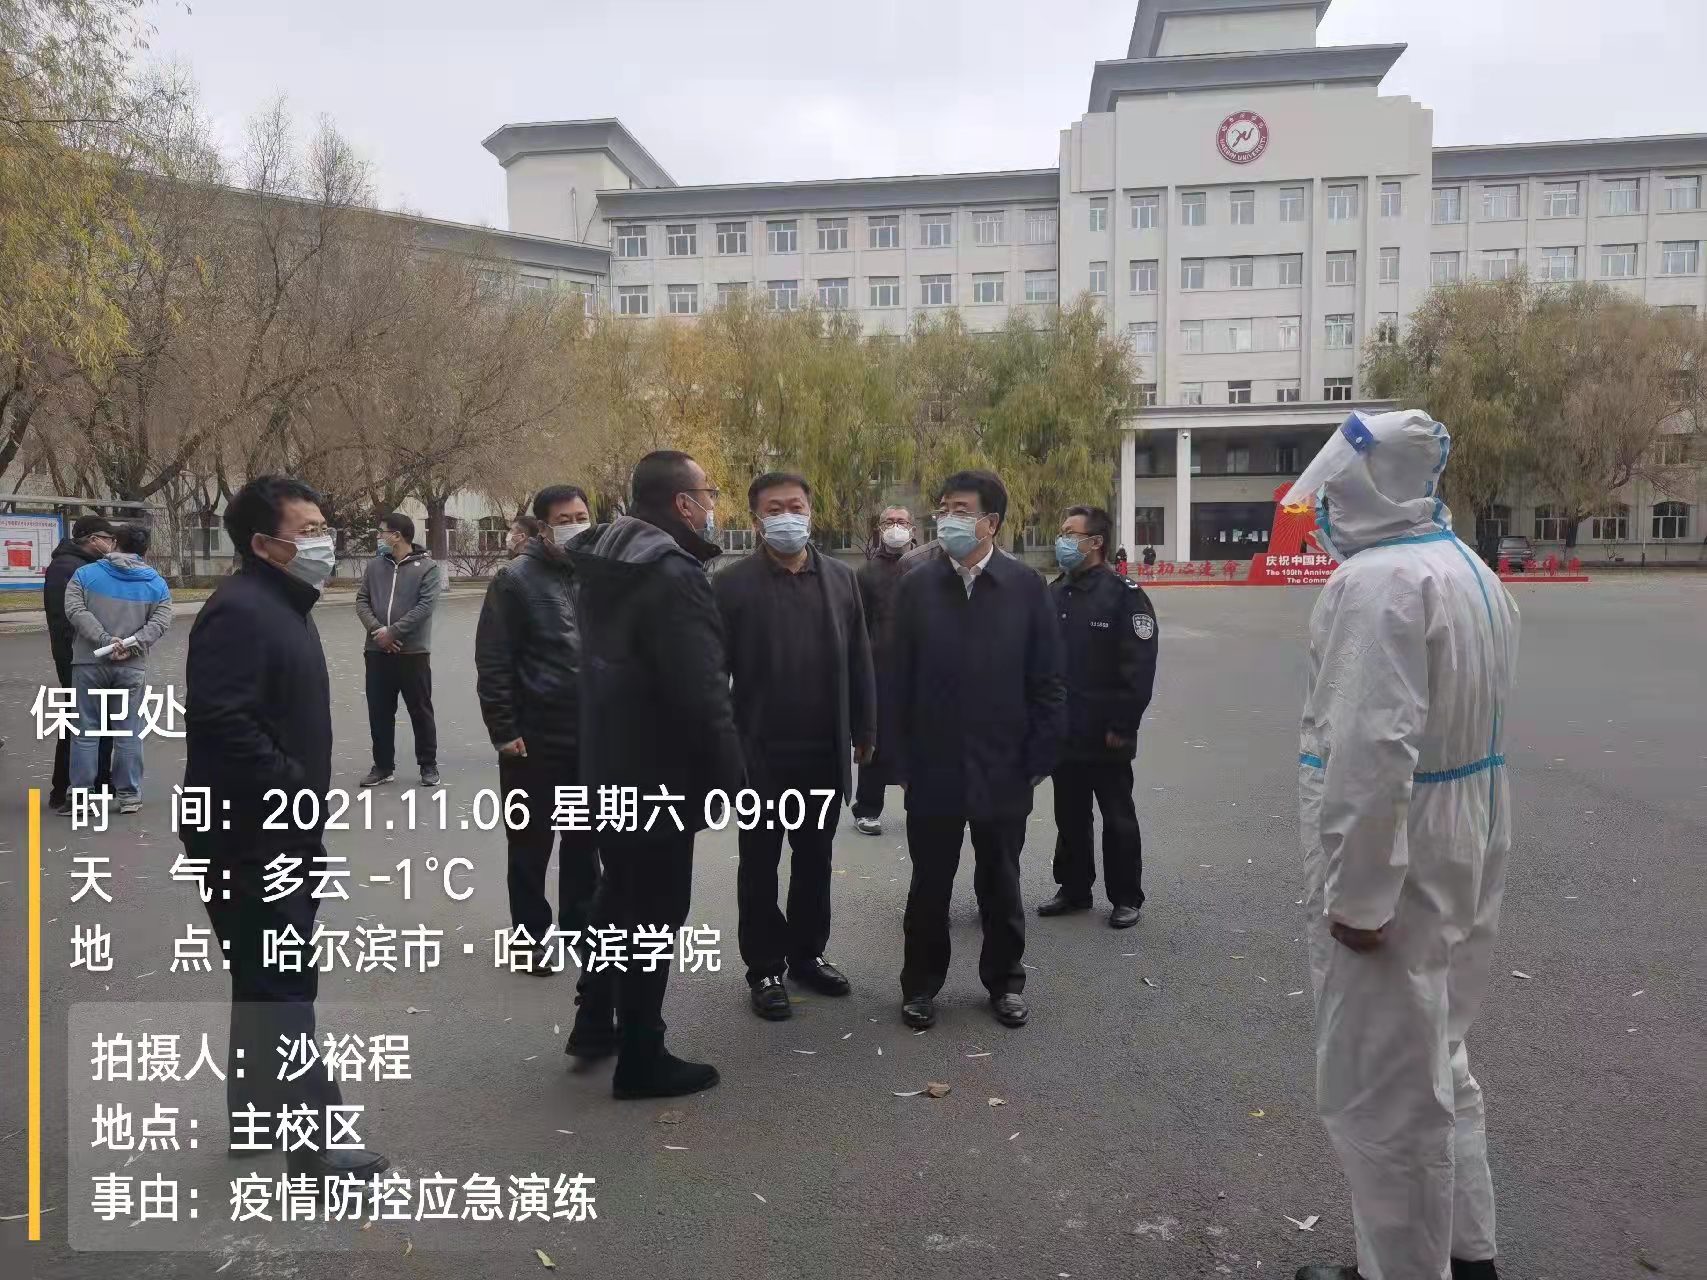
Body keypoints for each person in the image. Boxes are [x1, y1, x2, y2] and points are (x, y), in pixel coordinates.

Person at [1288, 410, 1519, 1280]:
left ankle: (1401, 1270)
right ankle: (1465, 1250)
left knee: (1381, 1085)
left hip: (1403, 847)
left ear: (1364, 483)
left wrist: (1357, 898)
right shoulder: (1465, 568)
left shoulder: (1376, 584)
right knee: (1439, 1054)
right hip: (1465, 830)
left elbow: (1370, 750)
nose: (1324, 503)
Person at [181, 475, 387, 1184]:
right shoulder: (242, 610)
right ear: (265, 544)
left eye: (324, 526)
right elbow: (223, 720)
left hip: (273, 824)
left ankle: (255, 1116)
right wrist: (292, 786)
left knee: (262, 974)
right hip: (249, 831)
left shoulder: (281, 603)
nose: (324, 541)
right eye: (309, 530)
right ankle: (317, 1141)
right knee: (281, 981)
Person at [563, 450, 743, 1097]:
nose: (713, 505)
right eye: (707, 493)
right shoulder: (672, 572)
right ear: (683, 504)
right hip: (659, 775)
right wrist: (733, 780)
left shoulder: (605, 558)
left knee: (618, 899)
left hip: (610, 766)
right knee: (655, 915)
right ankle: (643, 1055)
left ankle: (594, 1019)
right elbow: (701, 692)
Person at [885, 469, 1064, 1031]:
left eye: (960, 510)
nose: (947, 519)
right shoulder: (915, 585)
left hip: (1003, 766)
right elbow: (896, 680)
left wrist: (1037, 761)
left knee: (1001, 882)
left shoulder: (1025, 587)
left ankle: (1005, 983)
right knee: (929, 885)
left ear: (991, 522)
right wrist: (901, 763)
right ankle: (920, 987)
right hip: (933, 767)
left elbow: (1048, 682)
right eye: (943, 509)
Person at [715, 472, 875, 1020]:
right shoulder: (731, 585)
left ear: (811, 511)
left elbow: (860, 658)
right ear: (756, 519)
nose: (788, 516)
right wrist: (724, 748)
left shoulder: (840, 579)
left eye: (797, 506)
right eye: (775, 508)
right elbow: (714, 676)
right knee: (760, 863)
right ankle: (763, 968)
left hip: (822, 750)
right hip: (759, 752)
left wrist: (865, 729)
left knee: (814, 858)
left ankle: (807, 955)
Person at [475, 485, 601, 972]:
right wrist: (503, 730)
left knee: (584, 841)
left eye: (581, 515)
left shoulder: (596, 573)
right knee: (530, 844)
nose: (575, 525)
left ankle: (582, 927)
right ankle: (529, 937)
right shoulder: (515, 580)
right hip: (533, 738)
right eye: (564, 519)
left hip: (588, 734)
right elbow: (494, 660)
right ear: (543, 528)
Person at [1038, 506, 1157, 929]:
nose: (1063, 540)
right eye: (1062, 532)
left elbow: (1138, 667)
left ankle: (1126, 896)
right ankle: (1074, 888)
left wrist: (1123, 725)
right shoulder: (1055, 593)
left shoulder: (1124, 595)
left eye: (1071, 533)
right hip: (1064, 729)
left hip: (1107, 731)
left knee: (1116, 815)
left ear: (1096, 542)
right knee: (1069, 814)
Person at [63, 522, 174, 815]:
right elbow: (160, 622)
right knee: (128, 731)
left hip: (89, 661)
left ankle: (81, 796)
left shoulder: (85, 575)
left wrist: (104, 640)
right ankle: (128, 795)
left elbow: (74, 610)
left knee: (85, 730)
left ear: (114, 543)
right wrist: (132, 644)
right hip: (131, 666)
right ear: (145, 549)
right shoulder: (156, 584)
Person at [355, 512, 445, 788]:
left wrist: (392, 632)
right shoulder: (374, 566)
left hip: (412, 652)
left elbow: (425, 607)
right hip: (376, 651)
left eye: (382, 532)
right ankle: (383, 766)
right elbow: (362, 601)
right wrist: (378, 632)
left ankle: (428, 765)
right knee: (379, 711)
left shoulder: (427, 567)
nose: (379, 537)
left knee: (420, 710)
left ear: (397, 536)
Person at [46, 516, 117, 810]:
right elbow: (67, 618)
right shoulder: (67, 568)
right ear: (91, 538)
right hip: (76, 656)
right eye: (107, 538)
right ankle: (66, 787)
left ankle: (96, 781)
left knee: (93, 719)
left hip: (88, 653)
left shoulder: (84, 565)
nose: (111, 544)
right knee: (81, 721)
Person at [851, 505, 914, 836]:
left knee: (918, 738)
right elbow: (858, 624)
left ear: (913, 528)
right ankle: (867, 808)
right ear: (879, 527)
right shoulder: (865, 573)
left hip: (919, 669)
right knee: (874, 738)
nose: (896, 526)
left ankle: (919, 804)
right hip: (879, 669)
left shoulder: (926, 567)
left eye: (901, 521)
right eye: (889, 521)